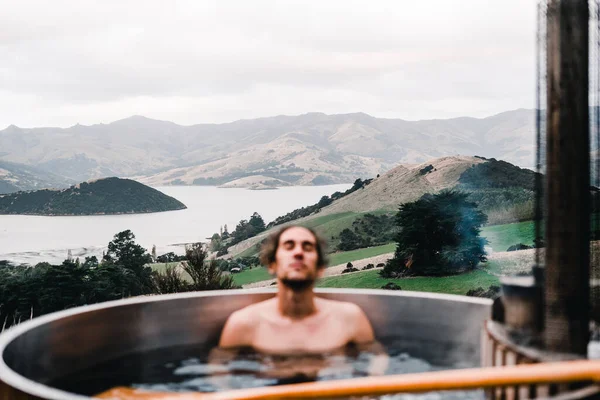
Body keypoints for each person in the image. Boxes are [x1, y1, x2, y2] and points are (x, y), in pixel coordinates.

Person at [219, 225, 376, 353]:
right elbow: (221, 382)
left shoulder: (350, 319)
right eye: (289, 246)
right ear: (272, 264)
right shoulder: (242, 324)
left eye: (307, 248)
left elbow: (377, 371)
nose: (298, 252)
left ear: (320, 267)